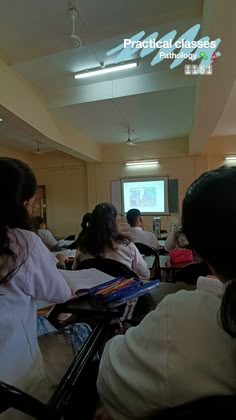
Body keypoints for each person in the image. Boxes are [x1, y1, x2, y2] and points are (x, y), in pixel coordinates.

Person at [95, 167, 236, 420]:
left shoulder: (182, 315)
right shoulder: (145, 238)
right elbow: (145, 272)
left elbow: (110, 378)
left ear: (198, 247)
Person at [0, 158, 90, 419]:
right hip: (16, 388)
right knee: (82, 332)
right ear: (23, 203)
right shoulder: (22, 242)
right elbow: (59, 293)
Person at [73, 203, 150, 280]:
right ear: (114, 222)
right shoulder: (127, 245)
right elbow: (145, 275)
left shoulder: (82, 247)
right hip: (121, 291)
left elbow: (75, 272)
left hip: (90, 290)